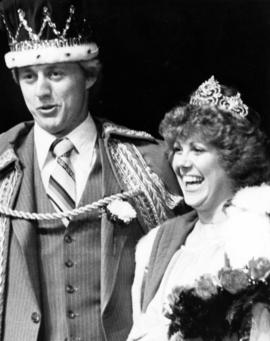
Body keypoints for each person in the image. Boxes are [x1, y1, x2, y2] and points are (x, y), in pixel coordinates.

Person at [0, 0, 182, 340]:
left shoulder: (148, 164)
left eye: (55, 74)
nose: (41, 91)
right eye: (29, 77)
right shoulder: (3, 166)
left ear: (88, 76)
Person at [127, 76, 270, 341]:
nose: (182, 162)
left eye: (198, 149)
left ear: (232, 158)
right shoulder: (157, 244)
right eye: (178, 149)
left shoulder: (260, 236)